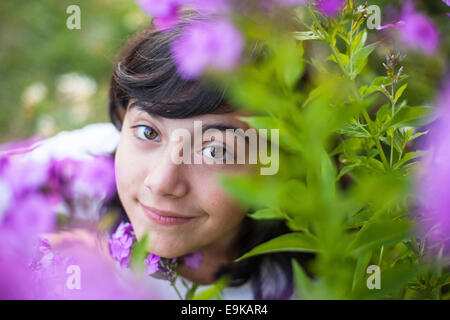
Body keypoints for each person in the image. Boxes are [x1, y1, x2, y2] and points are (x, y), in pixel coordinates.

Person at [23, 11, 314, 300]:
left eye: (215, 151)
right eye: (149, 133)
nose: (162, 182)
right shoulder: (76, 171)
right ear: (123, 120)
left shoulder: (308, 285)